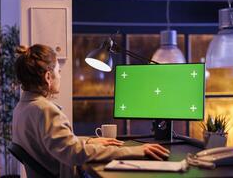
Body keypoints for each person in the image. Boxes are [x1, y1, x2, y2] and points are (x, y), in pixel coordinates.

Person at [12, 44, 170, 178]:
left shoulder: (23, 107)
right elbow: (73, 153)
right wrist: (132, 151)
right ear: (48, 76)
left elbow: (57, 143)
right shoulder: (45, 110)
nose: (60, 76)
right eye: (58, 72)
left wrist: (88, 141)